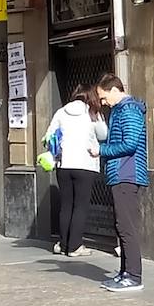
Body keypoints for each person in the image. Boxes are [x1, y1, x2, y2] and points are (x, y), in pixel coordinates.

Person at [94, 74, 149, 292]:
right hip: (120, 173)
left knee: (127, 227)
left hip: (127, 174)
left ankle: (133, 275)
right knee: (122, 225)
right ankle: (125, 272)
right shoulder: (120, 110)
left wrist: (101, 150)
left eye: (104, 97)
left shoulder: (128, 110)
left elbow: (130, 144)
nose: (103, 102)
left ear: (115, 90)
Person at [46, 85, 109, 257]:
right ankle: (75, 246)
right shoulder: (92, 113)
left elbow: (49, 135)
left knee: (66, 205)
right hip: (85, 165)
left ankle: (64, 243)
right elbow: (103, 135)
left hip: (64, 165)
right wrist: (99, 117)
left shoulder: (60, 112)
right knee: (80, 206)